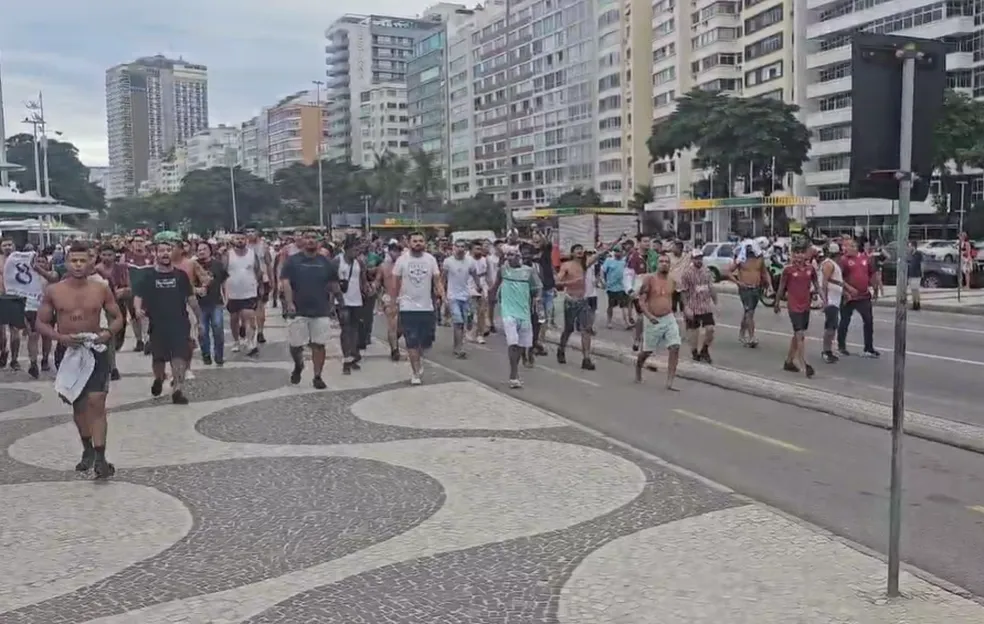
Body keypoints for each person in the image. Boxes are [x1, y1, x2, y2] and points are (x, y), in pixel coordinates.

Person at [35, 242, 123, 479]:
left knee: (97, 401)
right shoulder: (54, 290)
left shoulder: (101, 288)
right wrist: (60, 337)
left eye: (83, 260)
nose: (78, 265)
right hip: (68, 351)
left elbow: (117, 317)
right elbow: (40, 322)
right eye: (74, 260)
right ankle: (87, 449)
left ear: (91, 262)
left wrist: (108, 333)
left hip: (95, 348)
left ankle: (101, 457)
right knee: (79, 403)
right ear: (66, 261)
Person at [133, 240, 201, 405]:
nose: (165, 253)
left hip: (179, 323)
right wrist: (137, 309)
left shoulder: (180, 276)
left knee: (179, 357)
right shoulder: (148, 276)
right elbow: (138, 295)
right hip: (157, 323)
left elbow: (191, 298)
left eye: (168, 250)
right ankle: (159, 378)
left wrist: (199, 318)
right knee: (159, 358)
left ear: (174, 253)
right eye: (161, 250)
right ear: (155, 254)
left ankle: (177, 389)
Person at [280, 230, 342, 388]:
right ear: (302, 240)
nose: (310, 240)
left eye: (313, 237)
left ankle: (317, 376)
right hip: (298, 309)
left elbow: (333, 283)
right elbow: (286, 282)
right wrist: (289, 303)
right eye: (307, 237)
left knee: (319, 344)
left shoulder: (326, 262)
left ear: (319, 241)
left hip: (320, 309)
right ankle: (298, 365)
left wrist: (337, 302)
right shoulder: (293, 261)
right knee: (295, 345)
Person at [555, 237, 621, 370]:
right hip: (570, 301)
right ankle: (561, 350)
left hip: (583, 301)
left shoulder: (585, 264)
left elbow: (602, 253)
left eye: (581, 249)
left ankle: (586, 359)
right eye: (577, 249)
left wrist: (617, 239)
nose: (580, 251)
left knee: (586, 330)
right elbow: (557, 283)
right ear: (572, 253)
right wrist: (570, 283)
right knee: (568, 329)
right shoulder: (566, 266)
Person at [390, 231, 444, 386]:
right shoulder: (402, 260)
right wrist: (393, 302)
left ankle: (418, 359)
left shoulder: (430, 259)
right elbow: (395, 281)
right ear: (409, 243)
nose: (418, 243)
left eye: (421, 241)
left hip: (427, 307)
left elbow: (437, 280)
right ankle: (415, 372)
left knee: (425, 342)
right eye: (415, 241)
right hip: (408, 307)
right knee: (411, 341)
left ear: (425, 243)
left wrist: (443, 296)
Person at [493, 246, 542, 388]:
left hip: (524, 313)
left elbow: (537, 288)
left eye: (513, 255)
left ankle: (515, 371)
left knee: (521, 346)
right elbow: (495, 286)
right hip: (508, 313)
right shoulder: (503, 270)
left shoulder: (529, 271)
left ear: (519, 256)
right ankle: (513, 375)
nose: (510, 257)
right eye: (508, 255)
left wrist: (538, 299)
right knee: (513, 344)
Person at [635, 253, 682, 390]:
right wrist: (649, 316)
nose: (664, 264)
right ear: (657, 263)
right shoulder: (649, 279)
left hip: (668, 317)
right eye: (661, 261)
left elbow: (677, 297)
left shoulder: (672, 280)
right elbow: (641, 301)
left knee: (675, 346)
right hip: (653, 318)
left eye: (667, 262)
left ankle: (670, 382)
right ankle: (638, 369)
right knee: (647, 351)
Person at [774, 246, 819, 378]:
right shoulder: (788, 270)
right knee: (800, 335)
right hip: (793, 306)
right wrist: (776, 303)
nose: (799, 256)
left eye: (801, 253)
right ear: (792, 255)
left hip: (806, 306)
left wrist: (824, 299)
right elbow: (782, 287)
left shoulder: (810, 269)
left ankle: (788, 361)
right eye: (796, 253)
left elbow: (816, 285)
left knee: (798, 334)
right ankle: (805, 364)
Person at [836, 238, 879, 358]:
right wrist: (846, 290)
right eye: (845, 246)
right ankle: (841, 346)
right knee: (845, 321)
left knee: (869, 321)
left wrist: (875, 289)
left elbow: (871, 274)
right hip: (849, 297)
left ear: (855, 247)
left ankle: (869, 348)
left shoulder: (865, 259)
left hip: (864, 296)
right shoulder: (843, 261)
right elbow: (839, 279)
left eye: (850, 246)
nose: (846, 249)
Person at [225, 231, 263, 356]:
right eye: (237, 238)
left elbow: (258, 271)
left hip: (249, 292)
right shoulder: (228, 255)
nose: (240, 241)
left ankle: (250, 341)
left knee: (250, 317)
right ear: (233, 240)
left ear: (246, 240)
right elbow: (222, 273)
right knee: (234, 319)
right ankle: (236, 341)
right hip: (233, 293)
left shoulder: (252, 254)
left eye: (242, 238)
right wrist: (222, 292)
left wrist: (260, 286)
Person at [679, 248, 717, 364]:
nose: (698, 260)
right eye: (696, 258)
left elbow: (711, 287)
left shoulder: (707, 271)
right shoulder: (687, 273)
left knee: (710, 329)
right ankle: (695, 352)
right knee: (693, 332)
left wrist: (716, 303)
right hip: (692, 306)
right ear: (692, 259)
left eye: (700, 258)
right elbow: (683, 291)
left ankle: (704, 349)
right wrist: (686, 307)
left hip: (705, 306)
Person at [442, 240, 480, 358]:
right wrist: (441, 294)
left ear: (466, 248)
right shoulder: (448, 262)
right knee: (458, 322)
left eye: (462, 247)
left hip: (466, 296)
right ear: (454, 248)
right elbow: (443, 278)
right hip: (453, 296)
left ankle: (457, 344)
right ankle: (459, 348)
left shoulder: (470, 262)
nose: (460, 249)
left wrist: (479, 288)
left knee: (465, 323)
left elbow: (475, 275)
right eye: (458, 246)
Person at [336, 239, 369, 374]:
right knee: (345, 329)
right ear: (347, 249)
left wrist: (366, 289)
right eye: (355, 250)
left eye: (359, 250)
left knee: (355, 329)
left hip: (356, 300)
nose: (357, 253)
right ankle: (346, 358)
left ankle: (354, 354)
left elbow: (363, 279)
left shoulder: (359, 262)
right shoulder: (337, 261)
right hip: (342, 301)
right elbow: (331, 281)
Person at [729, 238, 769, 347]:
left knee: (748, 313)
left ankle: (742, 334)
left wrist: (769, 285)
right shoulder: (741, 258)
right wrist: (738, 282)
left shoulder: (759, 259)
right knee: (749, 313)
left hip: (756, 288)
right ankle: (751, 337)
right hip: (745, 289)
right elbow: (728, 272)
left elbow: (764, 272)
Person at [819, 242, 854, 364]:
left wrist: (845, 292)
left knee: (832, 327)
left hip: (834, 299)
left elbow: (836, 281)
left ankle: (828, 351)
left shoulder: (832, 264)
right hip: (831, 300)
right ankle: (826, 351)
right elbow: (824, 283)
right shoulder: (829, 264)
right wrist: (825, 300)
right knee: (830, 327)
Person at [195, 241, 229, 366]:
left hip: (216, 302)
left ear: (210, 251)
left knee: (218, 328)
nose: (202, 252)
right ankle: (206, 354)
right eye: (199, 250)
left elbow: (224, 282)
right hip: (199, 304)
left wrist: (226, 297)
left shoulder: (217, 265)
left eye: (204, 249)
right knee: (202, 331)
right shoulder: (194, 265)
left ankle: (219, 355)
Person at [122, 235, 155, 354]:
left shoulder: (151, 258)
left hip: (147, 291)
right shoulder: (126, 257)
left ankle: (148, 340)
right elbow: (122, 272)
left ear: (145, 243)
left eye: (141, 241)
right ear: (132, 244)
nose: (138, 243)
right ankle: (139, 340)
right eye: (136, 241)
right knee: (134, 317)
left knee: (145, 315)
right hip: (132, 291)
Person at [246, 226, 274, 344]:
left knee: (260, 307)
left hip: (262, 279)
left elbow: (268, 264)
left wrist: (272, 280)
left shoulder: (263, 246)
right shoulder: (243, 247)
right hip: (247, 280)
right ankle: (249, 329)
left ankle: (260, 331)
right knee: (247, 308)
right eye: (248, 232)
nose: (251, 233)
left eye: (253, 231)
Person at [376, 240, 404, 361]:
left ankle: (393, 341)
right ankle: (394, 350)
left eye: (398, 251)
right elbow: (378, 281)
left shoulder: (404, 265)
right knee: (392, 325)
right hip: (389, 297)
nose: (395, 254)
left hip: (403, 297)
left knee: (401, 327)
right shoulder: (383, 266)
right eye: (393, 251)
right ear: (389, 252)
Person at [601, 245, 631, 329]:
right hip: (611, 287)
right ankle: (609, 321)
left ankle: (626, 323)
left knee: (624, 305)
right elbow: (602, 271)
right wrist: (603, 281)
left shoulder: (625, 261)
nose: (618, 253)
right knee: (611, 306)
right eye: (616, 251)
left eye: (620, 251)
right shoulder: (609, 261)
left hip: (622, 287)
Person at [906, 239, 924, 311]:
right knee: (913, 290)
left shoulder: (918, 254)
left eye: (910, 246)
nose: (909, 247)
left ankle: (917, 304)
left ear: (913, 246)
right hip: (911, 274)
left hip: (916, 274)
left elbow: (922, 264)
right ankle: (915, 303)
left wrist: (922, 273)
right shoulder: (910, 254)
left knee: (916, 290)